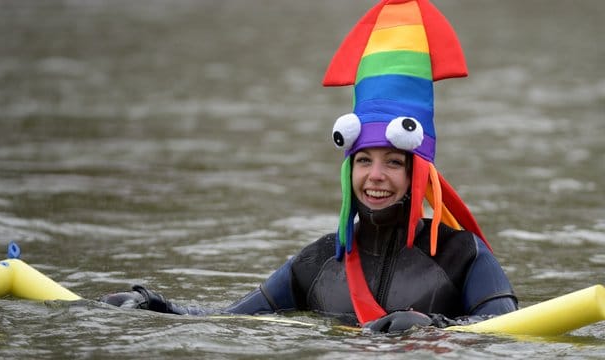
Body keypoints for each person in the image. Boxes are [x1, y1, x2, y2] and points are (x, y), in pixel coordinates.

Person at [100, 0, 518, 333]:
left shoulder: (464, 255)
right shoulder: (317, 262)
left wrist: (433, 328)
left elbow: (506, 330)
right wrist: (157, 306)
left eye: (394, 162)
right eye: (363, 161)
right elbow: (229, 320)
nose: (375, 175)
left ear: (418, 173)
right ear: (348, 169)